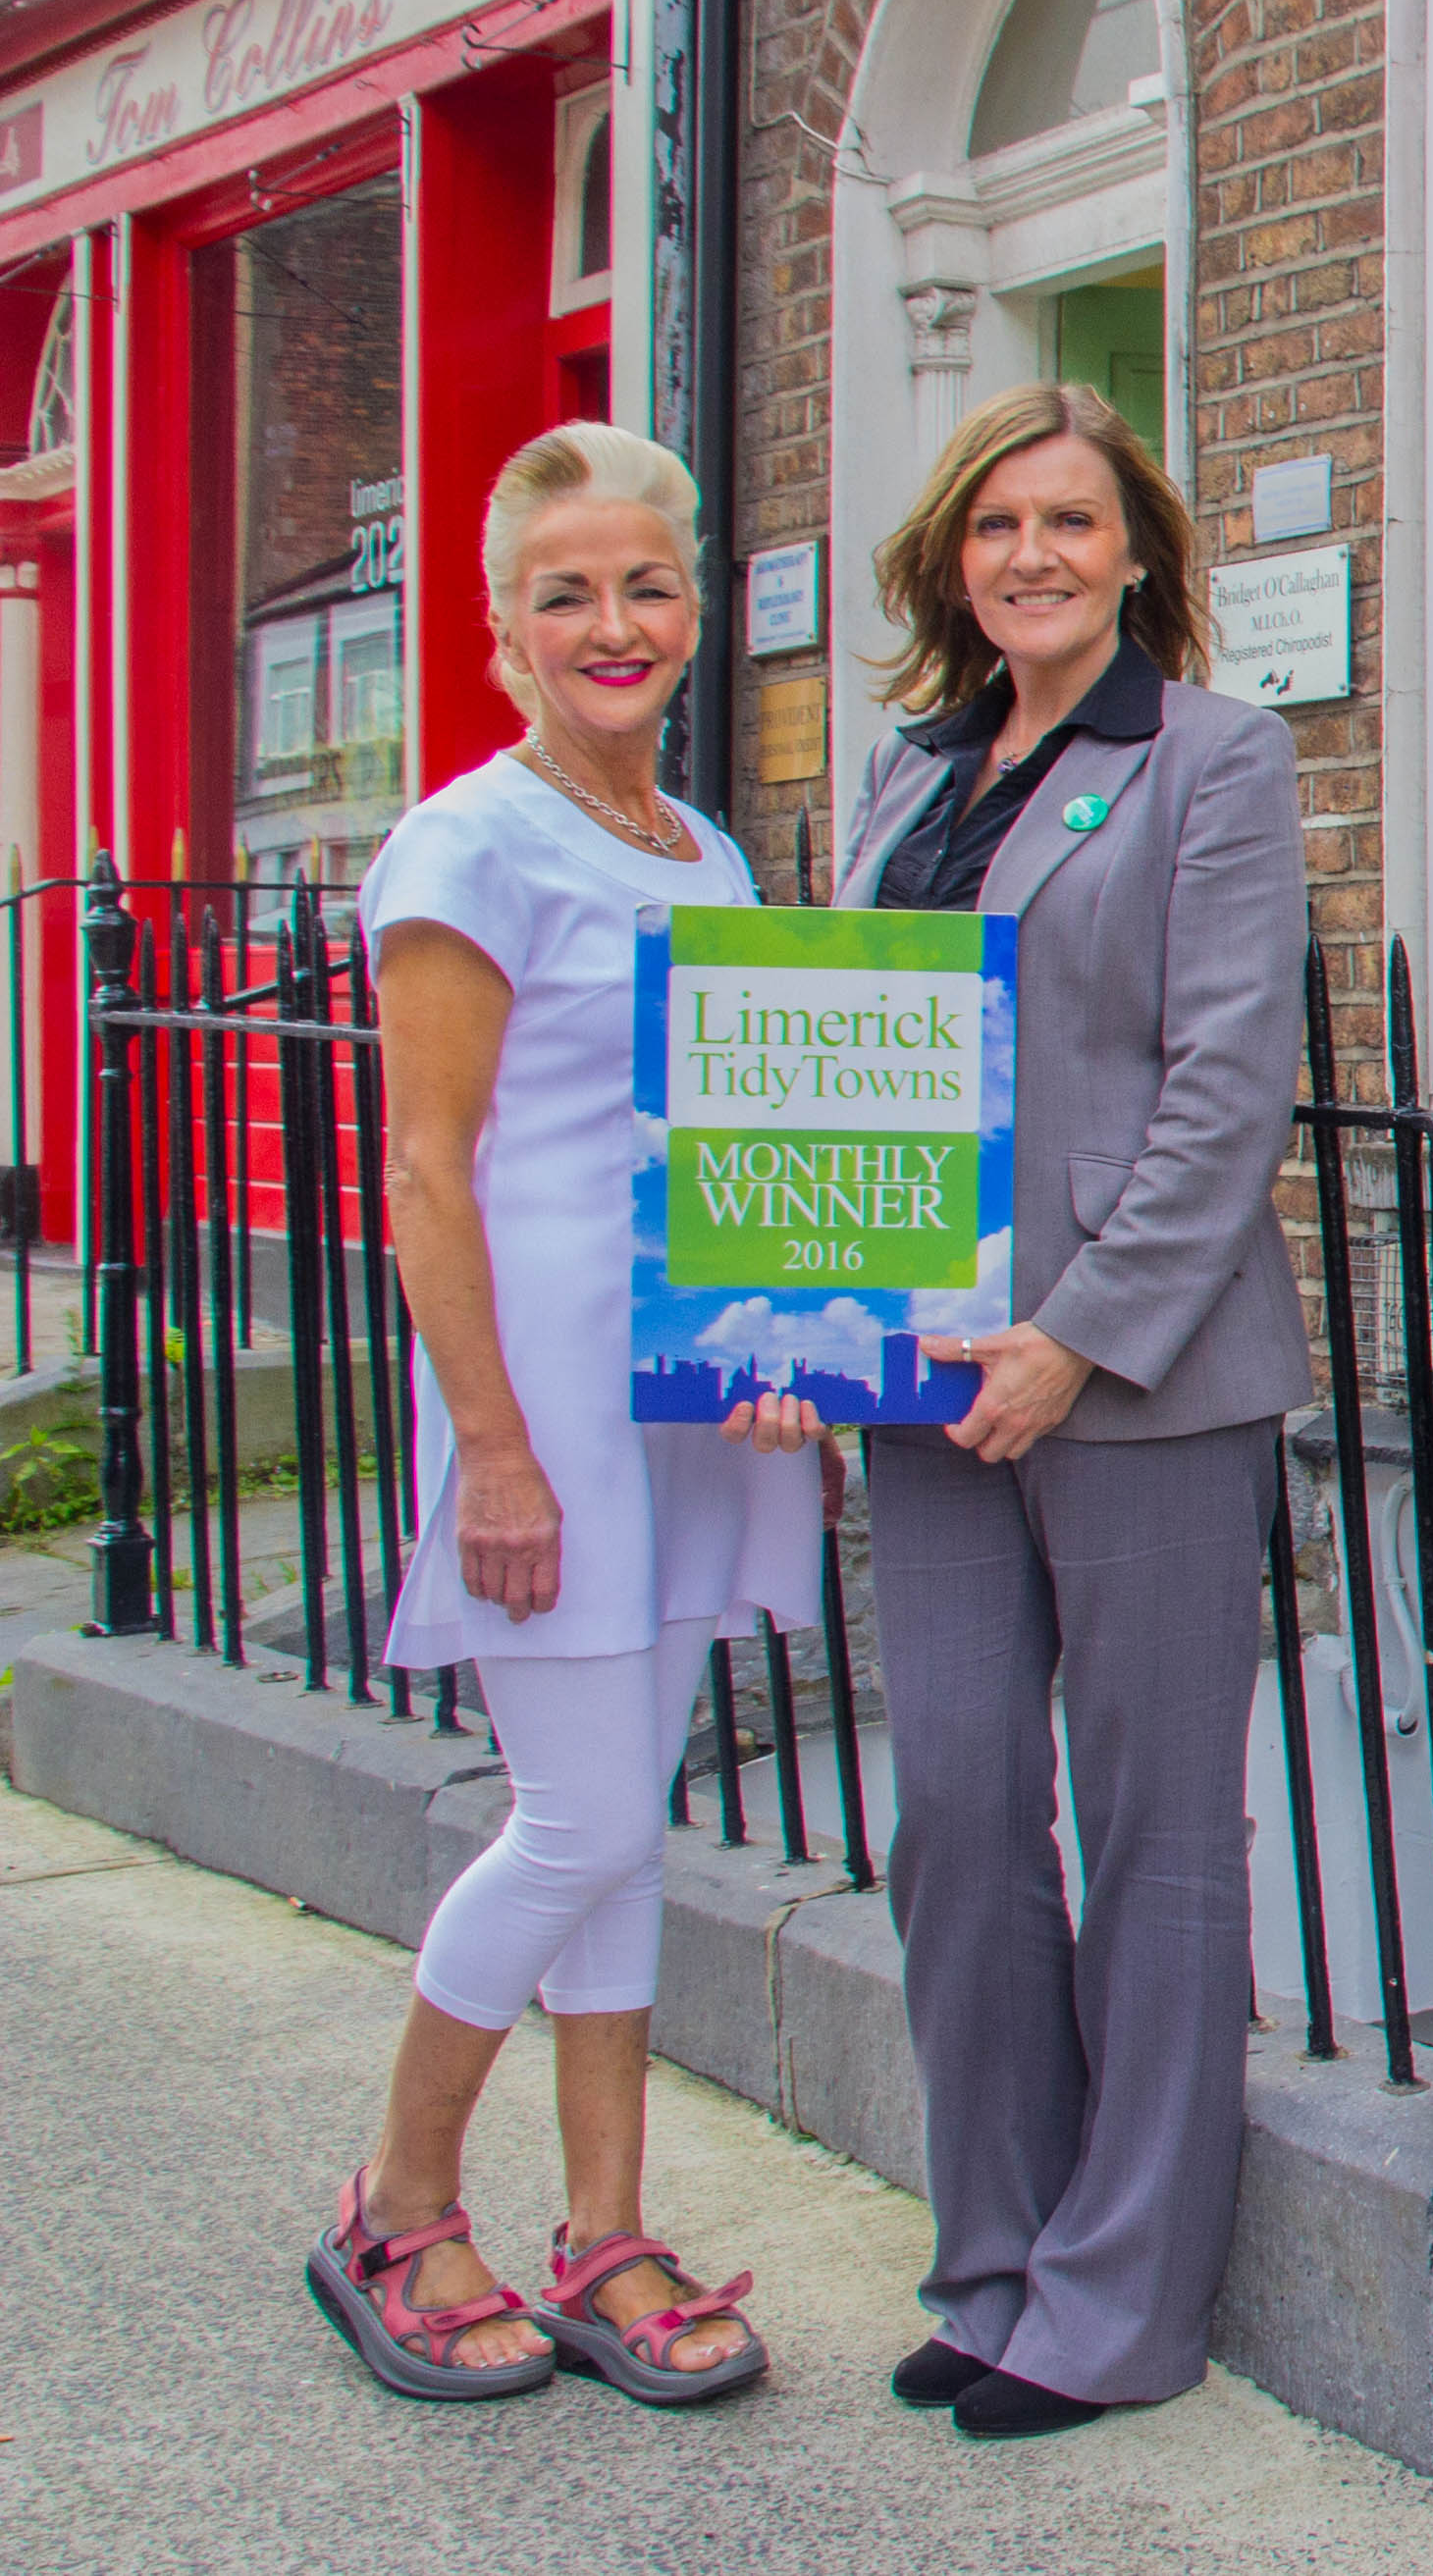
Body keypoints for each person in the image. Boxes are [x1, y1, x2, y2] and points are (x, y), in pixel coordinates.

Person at [309, 424, 836, 2408]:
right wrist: (494, 1447)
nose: (611, 623)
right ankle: (400, 2193)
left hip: (683, 1405)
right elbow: (428, 1169)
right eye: (565, 592)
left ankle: (604, 2228)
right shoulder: (468, 841)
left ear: (691, 611)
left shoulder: (702, 855)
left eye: (643, 585)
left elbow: (740, 1154)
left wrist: (805, 1339)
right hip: (537, 1409)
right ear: (500, 628)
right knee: (580, 1815)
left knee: (630, 1845)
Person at [834, 382, 1308, 2442]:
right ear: (955, 557)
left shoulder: (1214, 757)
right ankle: (996, 2253)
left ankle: (1115, 2301)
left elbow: (1226, 1084)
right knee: (950, 1805)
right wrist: (791, 1323)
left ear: (1136, 555)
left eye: (1070, 521)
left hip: (1137, 1386)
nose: (1031, 553)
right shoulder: (904, 777)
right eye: (996, 525)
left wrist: (1079, 1330)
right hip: (919, 1383)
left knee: (1153, 1837)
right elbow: (836, 1070)